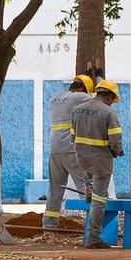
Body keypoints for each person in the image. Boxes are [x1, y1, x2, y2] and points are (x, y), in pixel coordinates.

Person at [71, 79, 124, 249]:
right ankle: (93, 237)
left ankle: (88, 192)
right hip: (101, 161)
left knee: (90, 183)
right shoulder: (108, 113)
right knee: (100, 200)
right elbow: (115, 141)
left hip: (82, 157)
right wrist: (116, 152)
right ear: (109, 96)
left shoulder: (78, 110)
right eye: (112, 99)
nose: (111, 103)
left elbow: (73, 135)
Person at [43, 74, 95, 228]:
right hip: (71, 149)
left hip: (55, 149)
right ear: (83, 88)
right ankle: (92, 224)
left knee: (55, 189)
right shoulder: (78, 97)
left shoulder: (55, 99)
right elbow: (98, 102)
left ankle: (49, 224)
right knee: (85, 187)